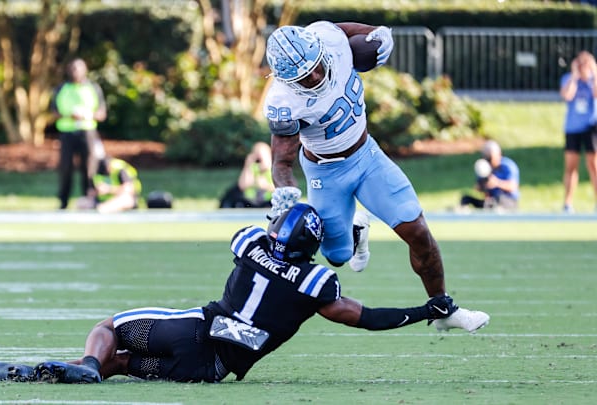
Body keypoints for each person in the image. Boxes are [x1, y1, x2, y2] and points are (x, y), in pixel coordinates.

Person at [0, 203, 489, 384]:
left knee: (109, 330)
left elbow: (265, 227)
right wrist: (427, 309)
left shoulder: (248, 243)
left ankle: (84, 365)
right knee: (125, 365)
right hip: (213, 370)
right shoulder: (316, 285)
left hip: (195, 328)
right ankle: (83, 371)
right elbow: (369, 317)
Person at [262, 21, 489, 331]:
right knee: (337, 256)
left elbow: (340, 29)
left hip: (368, 157)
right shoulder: (283, 102)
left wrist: (377, 31)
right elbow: (282, 160)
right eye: (303, 77)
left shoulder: (328, 40)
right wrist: (285, 191)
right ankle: (357, 230)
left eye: (315, 68)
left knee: (419, 233)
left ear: (319, 51)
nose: (314, 77)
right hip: (324, 173)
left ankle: (444, 309)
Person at [51, 58, 107, 210]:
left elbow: (102, 113)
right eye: (73, 69)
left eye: (79, 69)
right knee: (66, 167)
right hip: (67, 133)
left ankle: (89, 199)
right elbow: (54, 112)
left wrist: (87, 115)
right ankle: (63, 201)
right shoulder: (62, 89)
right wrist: (69, 115)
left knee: (88, 168)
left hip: (87, 132)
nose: (76, 72)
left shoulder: (93, 88)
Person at [559, 51, 597, 214]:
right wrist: (575, 76)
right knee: (571, 166)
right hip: (573, 128)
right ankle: (568, 203)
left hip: (591, 127)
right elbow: (567, 95)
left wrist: (594, 74)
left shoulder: (592, 81)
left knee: (593, 165)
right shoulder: (569, 79)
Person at [460, 140, 520, 211]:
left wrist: (497, 183)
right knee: (466, 198)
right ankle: (461, 211)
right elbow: (480, 189)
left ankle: (496, 208)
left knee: (498, 198)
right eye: (486, 157)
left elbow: (513, 186)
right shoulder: (485, 167)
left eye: (490, 158)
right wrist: (481, 186)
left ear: (498, 154)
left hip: (508, 201)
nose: (488, 160)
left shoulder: (508, 166)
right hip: (491, 201)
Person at [76, 156, 141, 213]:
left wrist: (109, 189)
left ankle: (106, 209)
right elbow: (91, 192)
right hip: (101, 201)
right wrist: (97, 191)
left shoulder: (120, 170)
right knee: (81, 203)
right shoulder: (98, 171)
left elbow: (129, 189)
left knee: (126, 200)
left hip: (122, 199)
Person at [219, 141, 275, 208]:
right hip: (250, 202)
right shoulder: (252, 168)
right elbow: (242, 185)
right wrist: (248, 165)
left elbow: (278, 189)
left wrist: (266, 186)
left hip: (268, 202)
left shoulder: (273, 169)